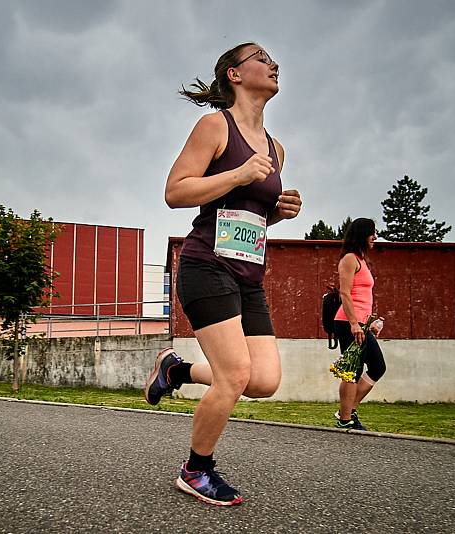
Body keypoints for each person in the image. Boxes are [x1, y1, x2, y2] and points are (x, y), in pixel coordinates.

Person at [144, 42, 302, 506]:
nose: (274, 64)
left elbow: (247, 215)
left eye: (274, 59)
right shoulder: (215, 126)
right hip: (205, 264)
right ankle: (196, 471)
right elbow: (175, 192)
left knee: (263, 381)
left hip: (248, 275)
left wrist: (278, 214)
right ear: (234, 74)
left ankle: (176, 368)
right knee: (234, 374)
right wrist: (236, 175)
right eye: (262, 57)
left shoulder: (276, 149)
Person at [332, 218, 386, 430]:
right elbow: (345, 293)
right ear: (362, 234)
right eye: (371, 233)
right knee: (352, 371)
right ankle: (346, 419)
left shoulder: (362, 261)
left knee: (378, 367)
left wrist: (369, 322)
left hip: (362, 324)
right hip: (347, 323)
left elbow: (363, 296)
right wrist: (354, 323)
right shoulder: (349, 259)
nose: (374, 237)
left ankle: (347, 411)